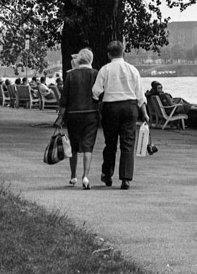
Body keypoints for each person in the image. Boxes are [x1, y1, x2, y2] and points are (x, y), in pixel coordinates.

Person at [92, 40, 148, 190]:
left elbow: (96, 91)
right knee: (127, 143)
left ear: (109, 54)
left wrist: (97, 103)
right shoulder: (132, 70)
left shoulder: (105, 69)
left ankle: (107, 174)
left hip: (111, 107)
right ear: (123, 52)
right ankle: (126, 178)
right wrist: (144, 113)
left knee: (110, 143)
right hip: (130, 107)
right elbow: (140, 95)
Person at [55, 48, 99, 189]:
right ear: (91, 59)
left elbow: (64, 99)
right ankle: (85, 176)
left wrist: (60, 117)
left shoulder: (71, 75)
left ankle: (73, 175)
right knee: (88, 146)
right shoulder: (95, 74)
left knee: (73, 146)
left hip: (73, 114)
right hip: (91, 113)